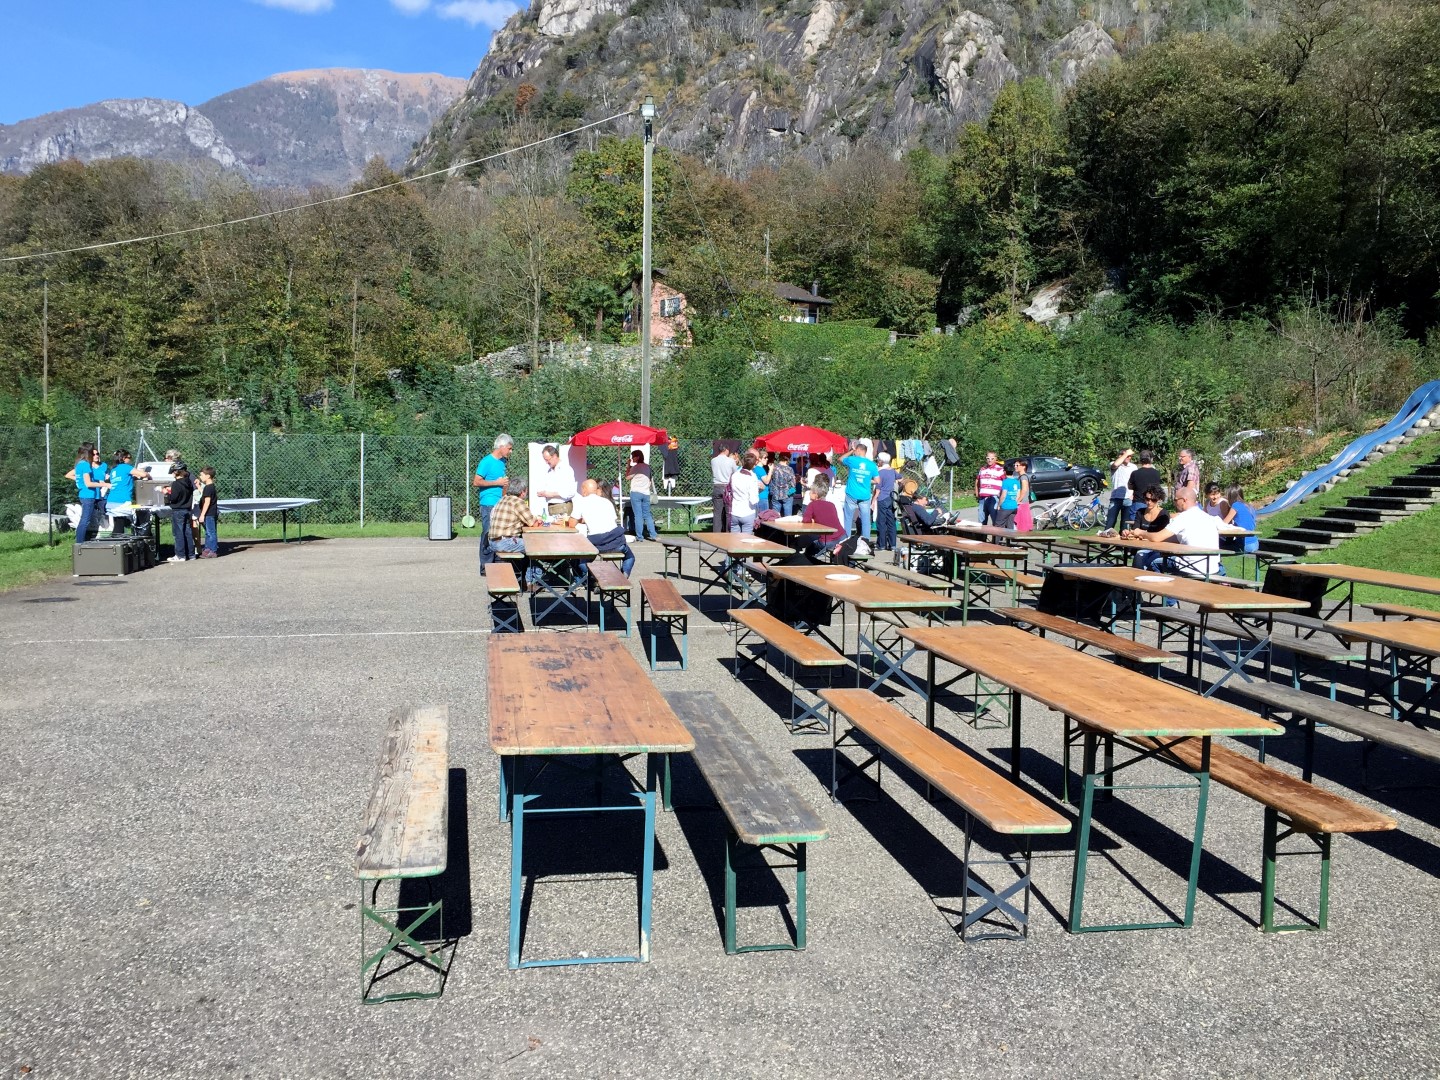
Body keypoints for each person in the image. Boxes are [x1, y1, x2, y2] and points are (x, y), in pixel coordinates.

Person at [1136, 486, 1222, 578]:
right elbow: (1176, 538)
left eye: (1176, 500)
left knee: (1153, 562)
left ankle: (1160, 587)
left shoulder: (1183, 517)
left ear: (1184, 500)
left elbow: (1157, 537)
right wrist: (1151, 538)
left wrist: (1141, 532)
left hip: (1190, 567)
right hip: (1212, 568)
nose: (1174, 503)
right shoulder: (1208, 517)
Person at [488, 476, 548, 585]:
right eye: (526, 491)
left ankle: (527, 578)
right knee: (535, 546)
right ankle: (532, 581)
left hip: (493, 541)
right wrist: (539, 520)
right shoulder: (518, 502)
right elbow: (533, 523)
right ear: (522, 492)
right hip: (505, 542)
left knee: (527, 546)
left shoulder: (503, 499)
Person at [572, 478, 634, 576]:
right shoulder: (607, 502)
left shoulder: (581, 502)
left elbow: (572, 523)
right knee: (630, 557)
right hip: (616, 542)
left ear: (584, 490)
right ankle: (624, 576)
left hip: (597, 544)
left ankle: (591, 578)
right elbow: (611, 519)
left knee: (581, 562)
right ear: (596, 490)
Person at [473, 434, 512, 567]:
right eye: (509, 448)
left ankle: (497, 563)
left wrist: (505, 493)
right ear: (501, 446)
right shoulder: (486, 461)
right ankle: (485, 566)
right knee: (488, 533)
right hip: (488, 504)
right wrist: (497, 482)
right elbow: (476, 482)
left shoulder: (503, 462)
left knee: (499, 534)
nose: (511, 451)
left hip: (499, 503)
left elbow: (502, 483)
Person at [838, 443, 878, 541]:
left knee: (848, 518)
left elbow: (840, 459)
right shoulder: (872, 465)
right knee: (865, 520)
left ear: (859, 450)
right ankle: (866, 541)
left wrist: (851, 451)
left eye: (856, 451)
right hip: (865, 495)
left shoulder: (853, 460)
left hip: (852, 493)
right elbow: (877, 480)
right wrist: (867, 479)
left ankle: (846, 540)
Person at [800, 473, 845, 559]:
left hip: (827, 541)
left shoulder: (812, 505)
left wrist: (812, 520)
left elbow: (805, 520)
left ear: (816, 494)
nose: (809, 494)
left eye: (811, 492)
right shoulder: (831, 504)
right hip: (842, 537)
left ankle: (806, 561)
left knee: (807, 547)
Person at [70, 443, 102, 543]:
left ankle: (80, 542)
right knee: (85, 521)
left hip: (84, 494)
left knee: (85, 520)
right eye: (92, 452)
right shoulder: (86, 465)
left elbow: (82, 480)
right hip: (88, 495)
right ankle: (79, 543)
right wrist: (105, 484)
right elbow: (88, 483)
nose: (94, 455)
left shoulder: (79, 464)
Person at [164, 463, 196, 563]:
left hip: (178, 510)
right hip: (187, 509)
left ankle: (180, 555)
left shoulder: (176, 484)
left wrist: (166, 493)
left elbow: (173, 498)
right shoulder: (188, 482)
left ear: (176, 472)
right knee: (188, 532)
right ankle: (191, 554)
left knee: (178, 533)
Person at [535, 444, 577, 519]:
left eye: (548, 459)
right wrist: (544, 493)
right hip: (551, 507)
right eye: (545, 460)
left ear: (554, 456)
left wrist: (551, 494)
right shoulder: (549, 470)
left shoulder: (566, 469)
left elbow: (571, 492)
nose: (546, 462)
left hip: (562, 507)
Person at [626, 450, 659, 541]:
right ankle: (653, 534)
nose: (632, 458)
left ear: (637, 457)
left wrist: (628, 466)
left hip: (636, 492)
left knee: (638, 515)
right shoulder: (647, 467)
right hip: (646, 493)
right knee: (647, 514)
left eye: (633, 457)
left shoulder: (636, 467)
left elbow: (627, 477)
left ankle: (640, 536)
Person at [726, 451, 762, 534]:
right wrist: (760, 489)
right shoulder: (752, 477)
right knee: (746, 540)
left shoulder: (735, 475)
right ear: (754, 465)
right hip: (747, 512)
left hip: (734, 511)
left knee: (735, 539)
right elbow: (754, 499)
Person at [105, 450, 138, 536]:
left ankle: (117, 540)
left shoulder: (114, 469)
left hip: (112, 499)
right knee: (119, 525)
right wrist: (147, 474)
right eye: (129, 457)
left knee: (118, 523)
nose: (130, 460)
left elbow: (123, 480)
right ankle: (115, 541)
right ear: (123, 458)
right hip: (122, 500)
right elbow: (143, 474)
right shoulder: (126, 467)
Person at [1221, 485, 1260, 554]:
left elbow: (1224, 523)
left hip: (1245, 544)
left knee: (1218, 548)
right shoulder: (1249, 506)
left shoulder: (1236, 505)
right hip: (1255, 543)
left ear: (1230, 496)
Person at [1105, 448, 1136, 532]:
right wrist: (1126, 453)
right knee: (1110, 523)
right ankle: (1105, 539)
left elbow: (1135, 482)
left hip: (1128, 499)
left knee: (1125, 526)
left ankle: (1121, 540)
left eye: (1130, 456)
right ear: (1120, 456)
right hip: (1115, 498)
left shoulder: (1133, 467)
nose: (1129, 457)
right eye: (1127, 456)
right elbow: (1115, 464)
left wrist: (1133, 495)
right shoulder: (1114, 464)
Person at [874, 452, 899, 551]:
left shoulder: (880, 473)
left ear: (881, 461)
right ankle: (893, 545)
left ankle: (882, 545)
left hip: (882, 498)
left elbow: (878, 489)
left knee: (881, 522)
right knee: (891, 521)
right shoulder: (892, 471)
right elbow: (900, 478)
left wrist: (873, 500)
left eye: (878, 460)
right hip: (890, 498)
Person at [975, 451, 1005, 526]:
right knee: (981, 522)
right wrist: (977, 493)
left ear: (996, 459)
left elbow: (1005, 483)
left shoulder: (1000, 469)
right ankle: (982, 534)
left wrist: (1002, 496)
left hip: (994, 498)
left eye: (992, 458)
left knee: (995, 521)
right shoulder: (982, 469)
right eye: (988, 458)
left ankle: (996, 534)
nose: (990, 460)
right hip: (982, 498)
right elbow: (977, 481)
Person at [711, 444, 736, 533]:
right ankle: (728, 533)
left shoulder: (713, 460)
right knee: (728, 513)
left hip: (716, 486)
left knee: (717, 513)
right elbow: (735, 472)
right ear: (726, 450)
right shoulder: (731, 461)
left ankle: (716, 534)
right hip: (727, 487)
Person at [195, 467, 219, 557]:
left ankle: (213, 550)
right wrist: (198, 487)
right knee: (208, 532)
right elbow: (205, 494)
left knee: (211, 532)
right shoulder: (208, 487)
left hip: (209, 514)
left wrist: (202, 515)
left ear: (208, 476)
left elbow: (207, 502)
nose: (200, 477)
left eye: (202, 475)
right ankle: (207, 549)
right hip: (208, 514)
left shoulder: (209, 488)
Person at [995, 460, 1024, 529]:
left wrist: (999, 505)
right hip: (1014, 507)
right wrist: (1014, 502)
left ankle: (997, 537)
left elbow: (1003, 495)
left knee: (998, 525)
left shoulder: (1005, 482)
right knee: (1010, 525)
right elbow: (1018, 494)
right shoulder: (1016, 482)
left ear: (1004, 472)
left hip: (1005, 507)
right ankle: (1010, 536)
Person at [769, 452, 797, 517]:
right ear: (788, 459)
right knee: (787, 517)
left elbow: (770, 481)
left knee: (775, 516)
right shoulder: (790, 469)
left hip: (775, 494)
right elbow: (793, 484)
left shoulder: (774, 468)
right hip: (787, 495)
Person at [1013, 459, 1034, 532]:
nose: (1015, 467)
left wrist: (1018, 500)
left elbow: (1024, 489)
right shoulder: (1021, 476)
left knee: (1022, 522)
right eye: (1014, 465)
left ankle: (1023, 534)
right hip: (1022, 502)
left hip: (1022, 502)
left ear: (1023, 466)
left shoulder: (1023, 477)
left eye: (1017, 465)